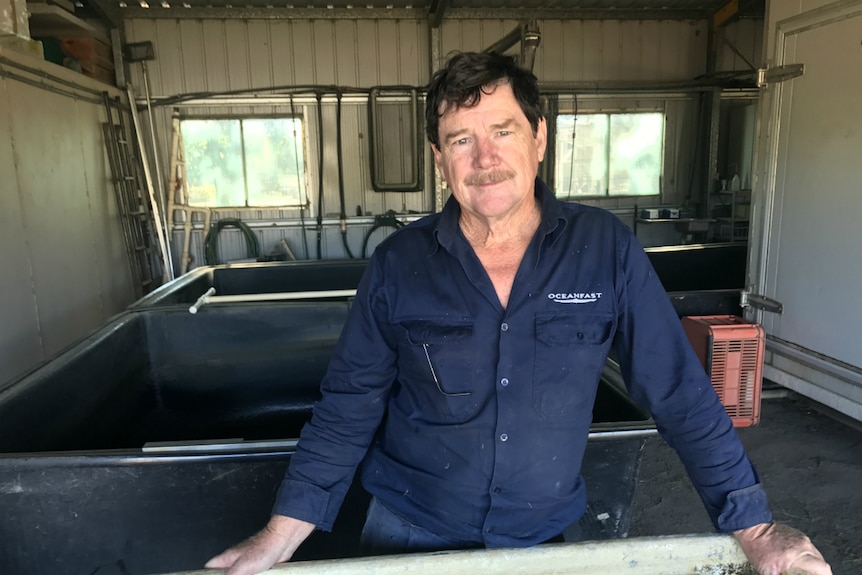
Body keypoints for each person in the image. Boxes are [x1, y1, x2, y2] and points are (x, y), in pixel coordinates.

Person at [206, 51, 832, 575]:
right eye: (461, 139)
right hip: (406, 531)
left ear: (538, 137)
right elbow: (347, 407)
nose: (484, 158)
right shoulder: (398, 264)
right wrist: (279, 538)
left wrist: (755, 528)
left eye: (502, 131)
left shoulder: (605, 250)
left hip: (543, 540)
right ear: (439, 158)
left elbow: (679, 392)